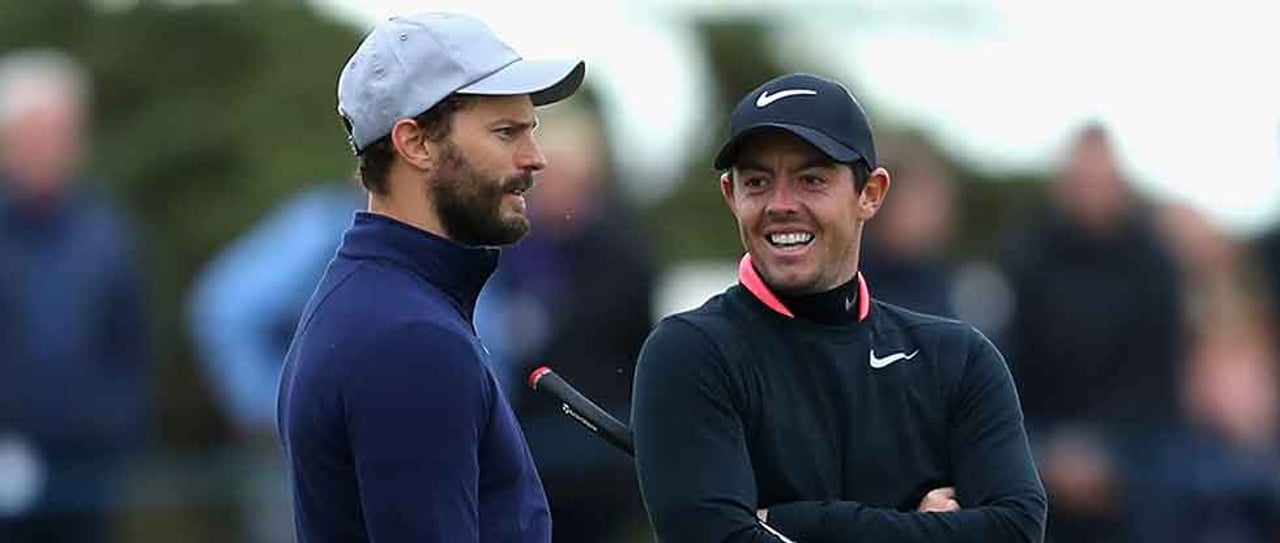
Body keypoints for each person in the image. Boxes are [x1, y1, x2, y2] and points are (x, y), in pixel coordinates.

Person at [631, 73, 1046, 542]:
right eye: (758, 181)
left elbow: (1015, 529)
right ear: (732, 195)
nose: (781, 204)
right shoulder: (690, 353)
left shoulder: (959, 359)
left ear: (870, 194)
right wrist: (920, 528)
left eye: (811, 180)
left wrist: (787, 521)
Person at [276, 12, 584, 542]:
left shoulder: (381, 306)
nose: (535, 158)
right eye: (507, 132)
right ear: (416, 143)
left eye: (530, 131)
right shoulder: (409, 339)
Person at [998, 124, 1183, 541]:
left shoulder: (1157, 268)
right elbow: (1007, 364)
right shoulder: (1027, 259)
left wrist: (1104, 454)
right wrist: (1051, 453)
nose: (1091, 193)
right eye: (1081, 182)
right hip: (1041, 435)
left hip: (1134, 443)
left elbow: (1158, 377)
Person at [0, 49, 149, 542]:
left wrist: (116, 429)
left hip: (87, 465)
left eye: (63, 132)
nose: (52, 147)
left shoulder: (106, 233)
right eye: (37, 133)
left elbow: (130, 340)